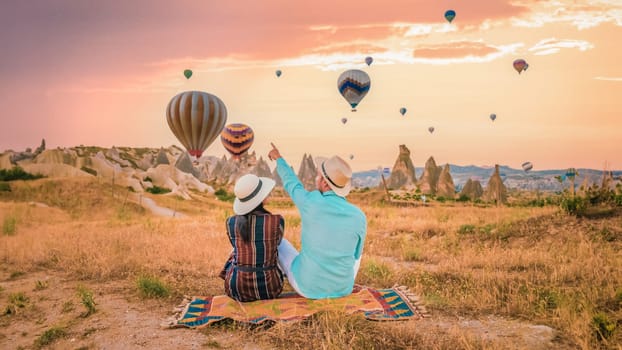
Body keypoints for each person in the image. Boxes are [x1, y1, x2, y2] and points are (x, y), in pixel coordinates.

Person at [268, 143, 367, 299]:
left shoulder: (310, 202)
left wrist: (278, 158)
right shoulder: (359, 215)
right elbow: (356, 255)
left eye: (319, 175)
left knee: (280, 243)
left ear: (325, 183)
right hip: (343, 289)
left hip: (307, 288)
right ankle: (336, 282)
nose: (316, 178)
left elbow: (292, 184)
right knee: (358, 253)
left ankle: (271, 279)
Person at [218, 174, 285, 302]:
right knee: (278, 248)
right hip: (270, 288)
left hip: (237, 288)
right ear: (261, 198)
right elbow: (277, 244)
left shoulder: (231, 222)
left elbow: (234, 245)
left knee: (236, 252)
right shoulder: (277, 221)